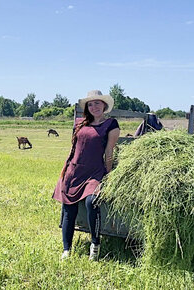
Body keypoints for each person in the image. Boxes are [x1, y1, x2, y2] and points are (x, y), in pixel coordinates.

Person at [52, 90, 120, 260]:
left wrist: (108, 175)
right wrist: (66, 169)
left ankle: (95, 244)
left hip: (94, 172)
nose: (94, 106)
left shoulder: (111, 124)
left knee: (92, 202)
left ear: (104, 105)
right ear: (87, 107)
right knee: (68, 208)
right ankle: (67, 249)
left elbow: (109, 152)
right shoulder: (80, 123)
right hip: (74, 171)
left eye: (97, 103)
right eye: (90, 104)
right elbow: (74, 148)